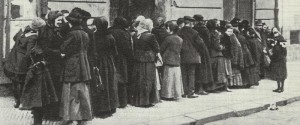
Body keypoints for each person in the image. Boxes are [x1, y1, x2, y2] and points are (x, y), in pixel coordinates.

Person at [3, 18, 45, 109]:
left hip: (13, 58)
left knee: (14, 82)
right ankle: (23, 102)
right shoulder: (33, 37)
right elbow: (29, 52)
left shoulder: (22, 30)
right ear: (38, 28)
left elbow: (14, 38)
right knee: (22, 82)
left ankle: (17, 102)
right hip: (22, 62)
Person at [59, 11, 92, 125]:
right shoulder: (85, 33)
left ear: (70, 23)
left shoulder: (72, 34)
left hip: (72, 64)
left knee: (70, 91)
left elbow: (64, 48)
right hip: (84, 63)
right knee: (82, 91)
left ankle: (68, 117)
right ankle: (83, 118)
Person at [38, 10, 64, 120]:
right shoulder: (46, 31)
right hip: (51, 65)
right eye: (59, 20)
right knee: (53, 88)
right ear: (53, 20)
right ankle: (51, 115)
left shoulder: (54, 30)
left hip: (56, 63)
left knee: (56, 88)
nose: (61, 21)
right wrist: (59, 53)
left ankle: (54, 113)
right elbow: (45, 49)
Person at [91, 17, 119, 117]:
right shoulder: (110, 36)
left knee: (100, 85)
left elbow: (93, 51)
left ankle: (101, 109)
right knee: (110, 84)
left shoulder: (94, 36)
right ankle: (111, 107)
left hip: (99, 62)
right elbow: (115, 52)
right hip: (109, 62)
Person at [131, 18, 160, 107]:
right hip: (148, 60)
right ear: (148, 26)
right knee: (148, 81)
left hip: (138, 59)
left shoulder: (135, 35)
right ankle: (147, 101)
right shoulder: (150, 36)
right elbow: (157, 48)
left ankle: (137, 101)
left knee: (139, 80)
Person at [177, 16, 203, 98]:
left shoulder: (179, 31)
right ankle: (191, 92)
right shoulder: (194, 32)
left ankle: (184, 92)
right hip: (192, 55)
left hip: (182, 55)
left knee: (184, 74)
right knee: (191, 74)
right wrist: (196, 50)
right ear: (191, 23)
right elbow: (200, 43)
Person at [110, 17, 132, 108]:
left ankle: (113, 102)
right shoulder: (125, 33)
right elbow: (128, 48)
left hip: (111, 58)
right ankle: (122, 102)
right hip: (121, 59)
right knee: (122, 79)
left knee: (112, 79)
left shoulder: (109, 30)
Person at [160, 21, 184, 100]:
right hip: (177, 60)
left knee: (168, 78)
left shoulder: (168, 38)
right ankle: (177, 93)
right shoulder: (180, 39)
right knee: (176, 78)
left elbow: (162, 49)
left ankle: (168, 94)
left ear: (170, 29)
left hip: (168, 60)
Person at [193, 15, 214, 95]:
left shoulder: (194, 29)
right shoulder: (205, 29)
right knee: (204, 69)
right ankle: (202, 88)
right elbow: (208, 41)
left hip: (196, 50)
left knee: (197, 69)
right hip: (204, 51)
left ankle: (197, 88)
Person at [206, 19, 227, 91]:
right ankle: (215, 87)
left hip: (210, 54)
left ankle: (210, 87)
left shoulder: (208, 32)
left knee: (212, 71)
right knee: (217, 72)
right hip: (216, 54)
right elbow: (217, 45)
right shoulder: (215, 33)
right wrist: (222, 47)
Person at [268, 27, 287, 93]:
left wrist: (283, 57)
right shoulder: (273, 39)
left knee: (282, 74)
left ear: (278, 31)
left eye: (276, 32)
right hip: (275, 59)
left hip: (281, 59)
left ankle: (282, 88)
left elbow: (284, 50)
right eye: (273, 32)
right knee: (277, 73)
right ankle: (278, 87)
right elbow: (271, 47)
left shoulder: (281, 39)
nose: (275, 33)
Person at [220, 26, 234, 92]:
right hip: (225, 56)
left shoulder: (228, 37)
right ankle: (226, 86)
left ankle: (226, 86)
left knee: (227, 71)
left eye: (231, 31)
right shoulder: (224, 37)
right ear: (225, 31)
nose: (230, 33)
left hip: (227, 56)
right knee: (226, 71)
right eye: (228, 31)